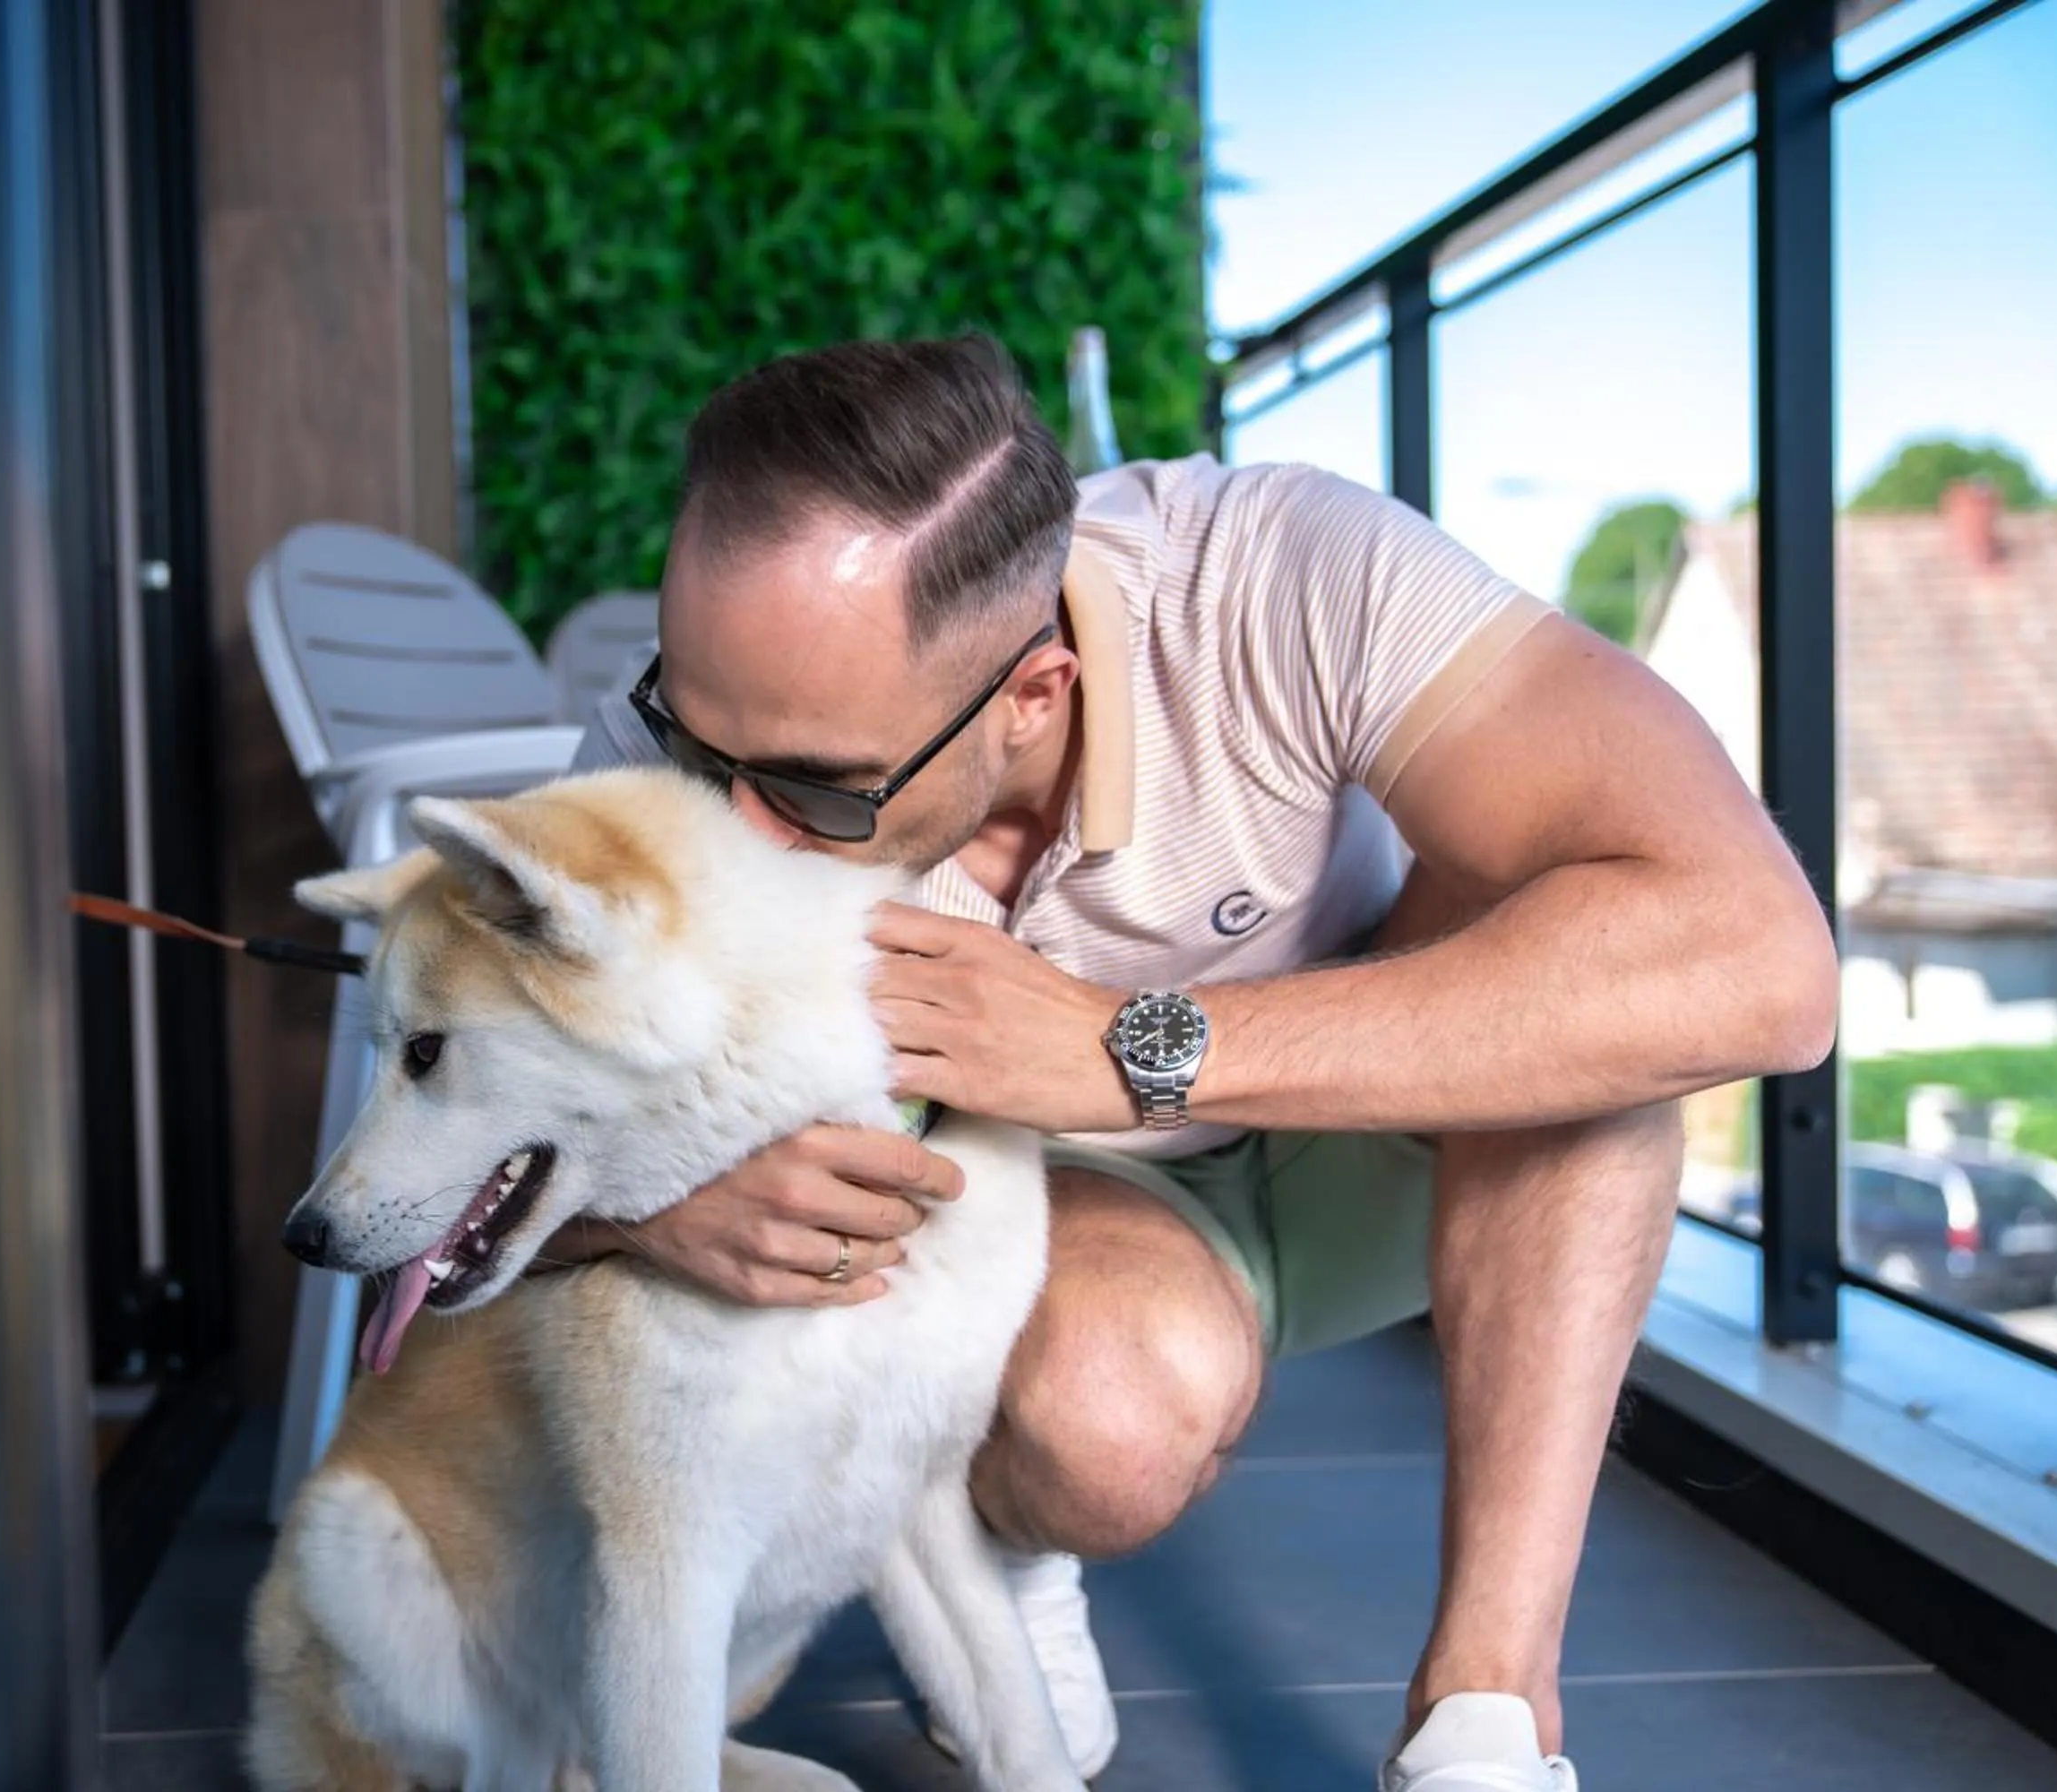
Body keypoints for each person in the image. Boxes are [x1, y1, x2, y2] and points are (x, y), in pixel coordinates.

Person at [551, 335, 1837, 1791]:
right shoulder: (674, 762)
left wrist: (1137, 1047)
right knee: (1104, 1428)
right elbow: (432, 1176)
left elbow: (1763, 966)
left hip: (1373, 1124)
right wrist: (651, 1215)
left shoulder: (1284, 573)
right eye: (695, 738)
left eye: (819, 789)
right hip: (1061, 1202)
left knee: (1602, 983)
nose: (739, 827)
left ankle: (1486, 1717)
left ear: (1032, 695)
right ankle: (1010, 1538)